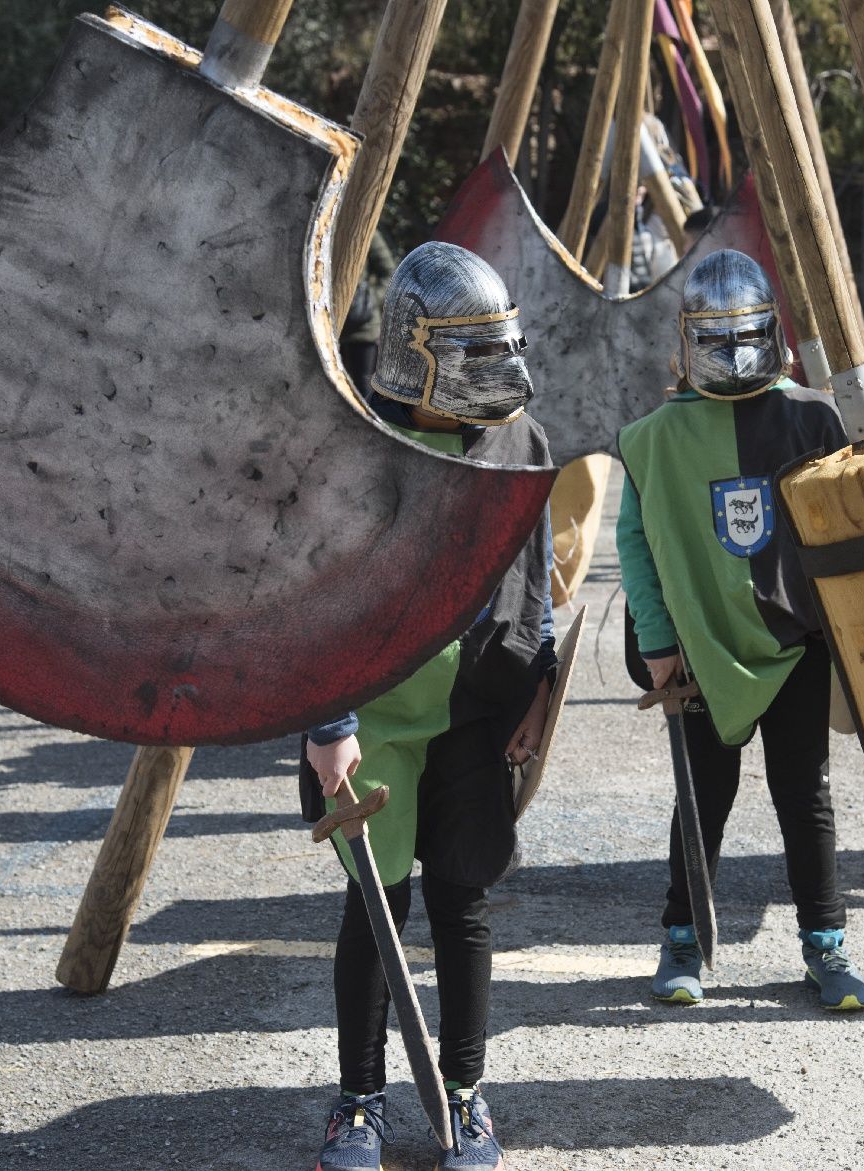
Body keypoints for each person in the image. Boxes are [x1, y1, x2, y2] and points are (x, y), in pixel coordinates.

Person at [302, 241, 554, 1171]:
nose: (499, 372)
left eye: (501, 348)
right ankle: (358, 1102)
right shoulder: (358, 443)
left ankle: (465, 1094)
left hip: (478, 708)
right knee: (376, 907)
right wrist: (327, 723)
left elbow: (540, 573)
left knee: (464, 904)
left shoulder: (518, 438)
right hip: (370, 719)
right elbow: (315, 590)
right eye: (471, 351)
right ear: (417, 352)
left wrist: (541, 689)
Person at [616, 248, 864, 1012]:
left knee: (806, 794)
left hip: (795, 642)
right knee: (703, 796)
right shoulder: (654, 437)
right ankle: (683, 938)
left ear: (772, 333)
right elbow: (637, 545)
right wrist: (657, 639)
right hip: (697, 649)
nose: (731, 355)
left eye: (743, 336)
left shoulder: (812, 416)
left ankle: (825, 944)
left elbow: (848, 526)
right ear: (688, 342)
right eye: (715, 340)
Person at [337, 229, 396, 399]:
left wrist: (371, 299)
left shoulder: (368, 230)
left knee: (362, 393)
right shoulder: (325, 225)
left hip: (363, 328)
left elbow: (390, 273)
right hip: (329, 324)